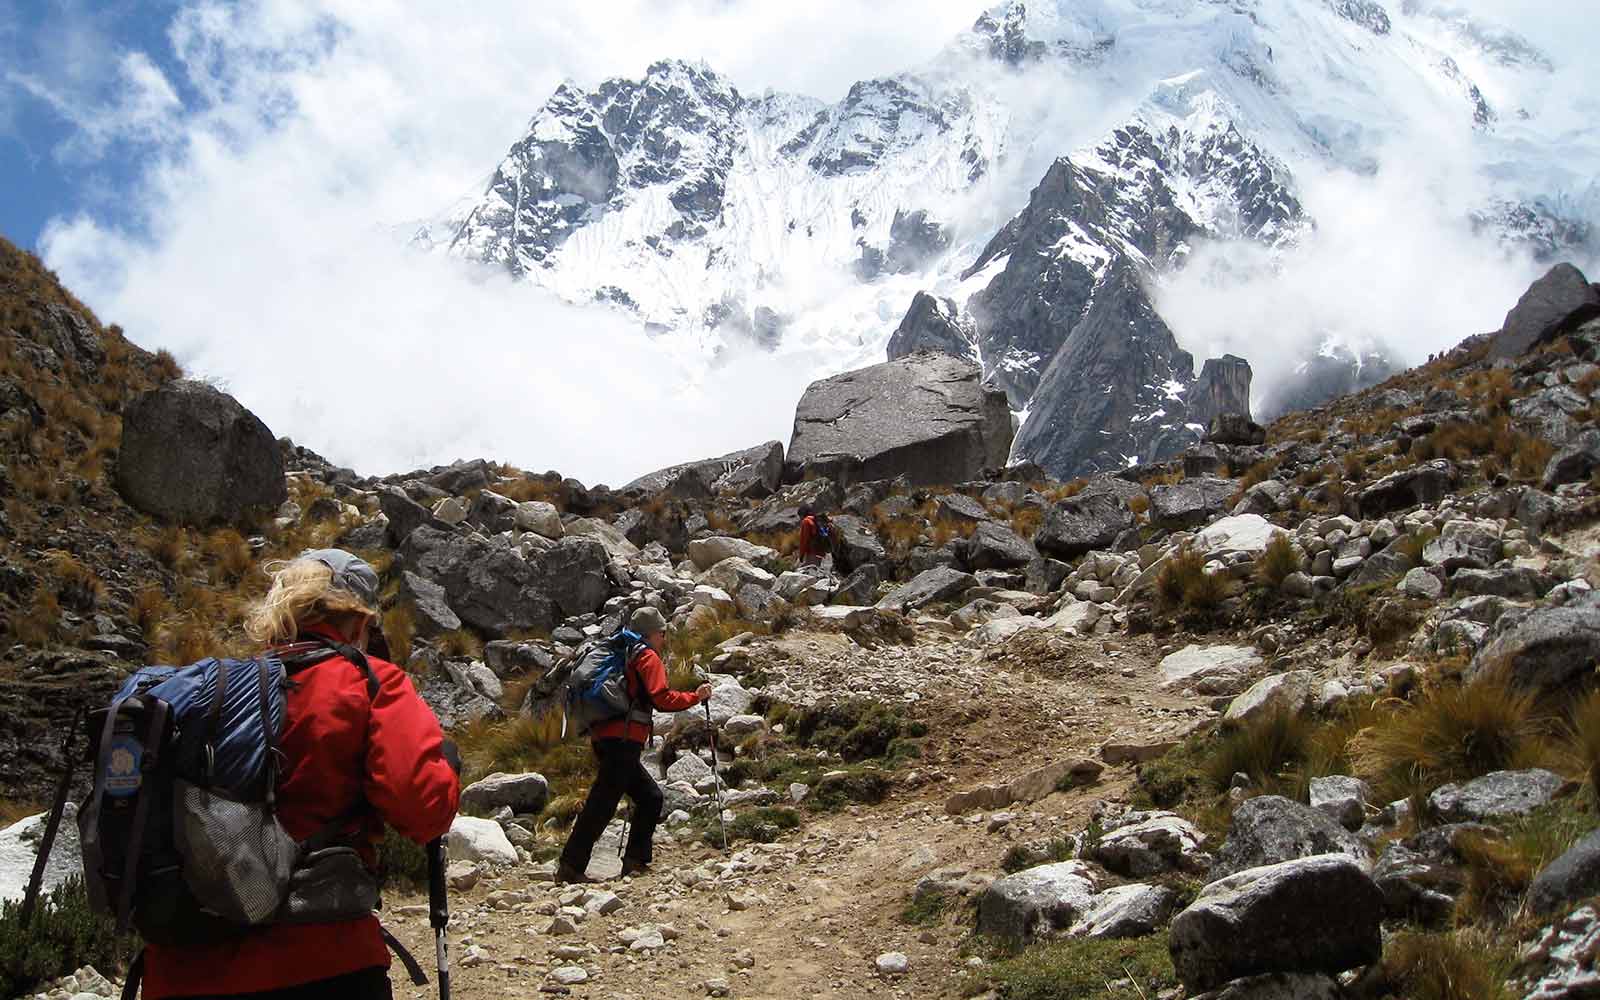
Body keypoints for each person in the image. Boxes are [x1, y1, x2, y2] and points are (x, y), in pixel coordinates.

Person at [142, 549, 461, 1000]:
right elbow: (423, 807)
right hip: (323, 961)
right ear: (358, 620)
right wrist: (445, 765)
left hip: (177, 970)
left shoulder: (213, 691)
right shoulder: (371, 681)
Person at [558, 607, 711, 882]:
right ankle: (571, 866)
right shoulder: (647, 657)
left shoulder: (625, 653)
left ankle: (634, 861)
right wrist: (695, 697)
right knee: (602, 803)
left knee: (649, 797)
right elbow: (661, 698)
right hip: (623, 740)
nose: (664, 639)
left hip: (605, 737)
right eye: (662, 633)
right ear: (651, 633)